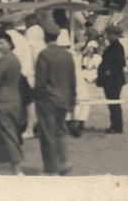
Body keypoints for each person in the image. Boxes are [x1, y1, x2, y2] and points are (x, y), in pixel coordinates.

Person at [34, 18, 75, 176]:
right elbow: (72, 80)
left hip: (48, 100)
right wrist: (72, 100)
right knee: (59, 131)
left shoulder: (44, 54)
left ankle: (51, 167)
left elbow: (40, 82)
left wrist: (36, 97)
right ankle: (64, 161)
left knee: (47, 134)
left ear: (45, 36)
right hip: (63, 99)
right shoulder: (67, 55)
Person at [0, 33, 26, 176]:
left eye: (2, 43)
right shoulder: (14, 58)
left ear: (10, 44)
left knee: (7, 134)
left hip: (2, 100)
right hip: (14, 99)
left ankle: (17, 168)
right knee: (3, 133)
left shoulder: (4, 60)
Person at [96, 25, 126, 134]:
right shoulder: (113, 46)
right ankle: (115, 125)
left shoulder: (117, 47)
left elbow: (120, 63)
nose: (108, 36)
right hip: (112, 79)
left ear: (115, 35)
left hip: (113, 79)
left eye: (109, 34)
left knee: (113, 102)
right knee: (112, 102)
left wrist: (109, 71)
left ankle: (116, 126)